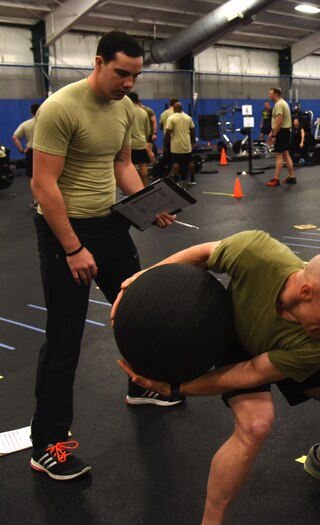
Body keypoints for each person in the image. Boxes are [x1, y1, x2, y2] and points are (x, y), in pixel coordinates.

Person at [114, 230, 320, 525]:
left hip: (293, 347)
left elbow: (255, 371)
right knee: (255, 425)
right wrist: (144, 280)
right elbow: (204, 254)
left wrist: (175, 387)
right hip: (235, 336)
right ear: (306, 293)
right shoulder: (257, 253)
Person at [29, 30, 176, 482]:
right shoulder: (60, 108)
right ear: (98, 62)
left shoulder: (127, 110)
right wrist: (73, 248)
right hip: (64, 231)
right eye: (121, 73)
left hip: (110, 223)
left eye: (135, 75)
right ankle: (48, 444)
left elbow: (122, 165)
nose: (128, 83)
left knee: (134, 310)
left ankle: (140, 386)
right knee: (65, 340)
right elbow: (42, 185)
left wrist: (149, 203)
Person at [266, 87, 296, 186]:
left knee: (278, 156)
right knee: (286, 154)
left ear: (275, 94)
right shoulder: (282, 103)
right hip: (285, 131)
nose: (269, 96)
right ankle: (292, 177)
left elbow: (279, 121)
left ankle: (276, 179)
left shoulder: (279, 104)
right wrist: (272, 131)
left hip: (282, 132)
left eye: (270, 94)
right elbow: (277, 122)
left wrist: (274, 135)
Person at [164, 102, 196, 187]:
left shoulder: (171, 118)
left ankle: (177, 180)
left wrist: (165, 144)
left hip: (176, 146)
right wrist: (193, 142)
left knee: (175, 163)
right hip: (186, 144)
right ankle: (192, 178)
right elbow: (193, 130)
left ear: (174, 109)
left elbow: (167, 132)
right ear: (182, 108)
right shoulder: (188, 118)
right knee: (190, 161)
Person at [126, 92, 151, 186]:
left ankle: (134, 189)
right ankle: (145, 188)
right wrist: (144, 139)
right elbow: (148, 130)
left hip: (130, 144)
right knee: (143, 165)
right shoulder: (143, 111)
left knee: (130, 167)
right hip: (141, 143)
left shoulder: (128, 111)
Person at [13, 103, 40, 180]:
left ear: (31, 112)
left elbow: (14, 137)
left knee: (31, 177)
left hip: (30, 153)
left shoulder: (25, 124)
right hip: (45, 152)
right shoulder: (47, 123)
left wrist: (21, 150)